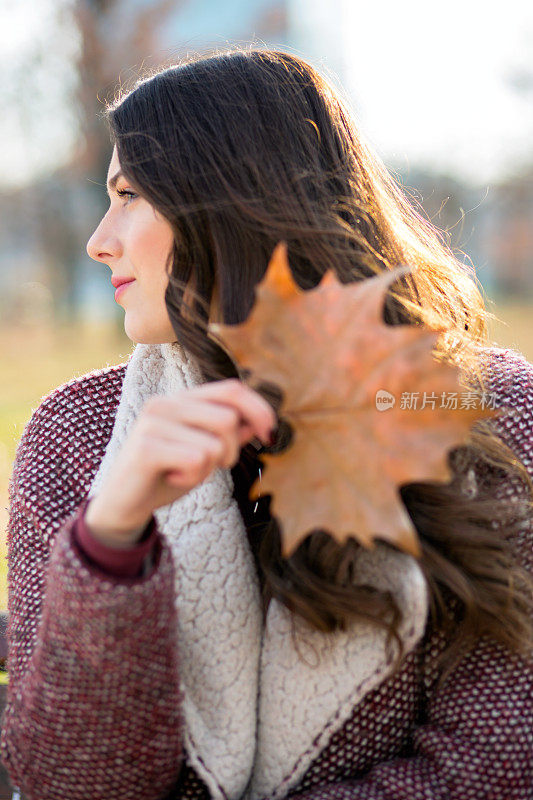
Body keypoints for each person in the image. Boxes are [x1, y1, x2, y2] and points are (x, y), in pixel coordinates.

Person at [0, 48, 531, 800]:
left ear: (225, 200)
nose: (99, 240)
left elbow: (496, 763)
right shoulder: (77, 434)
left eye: (128, 195)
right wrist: (111, 538)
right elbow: (71, 780)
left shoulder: (491, 413)